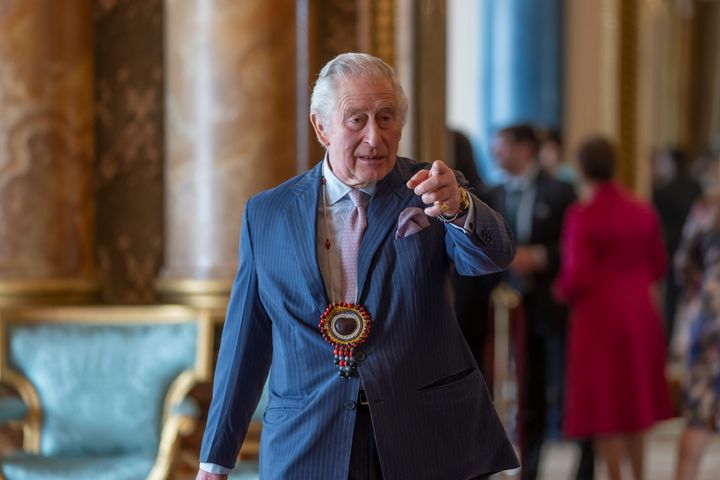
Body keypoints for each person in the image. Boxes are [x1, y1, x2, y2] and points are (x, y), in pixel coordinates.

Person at [196, 53, 519, 480]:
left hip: (424, 436)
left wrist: (458, 207)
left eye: (386, 118)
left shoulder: (430, 190)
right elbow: (245, 346)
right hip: (308, 441)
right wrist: (214, 460)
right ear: (321, 127)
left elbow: (491, 257)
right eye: (357, 120)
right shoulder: (267, 215)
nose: (374, 137)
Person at [553, 137, 673, 480]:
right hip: (639, 314)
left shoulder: (583, 215)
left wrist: (558, 291)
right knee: (636, 406)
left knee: (606, 410)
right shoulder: (642, 209)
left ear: (582, 169)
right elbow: (659, 266)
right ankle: (640, 475)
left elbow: (577, 276)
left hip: (598, 319)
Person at [489, 124, 578, 480]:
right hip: (505, 309)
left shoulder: (560, 191)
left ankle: (556, 464)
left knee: (555, 385)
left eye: (504, 147)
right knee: (517, 391)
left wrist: (538, 257)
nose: (497, 154)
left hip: (550, 306)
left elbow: (573, 247)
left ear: (525, 149)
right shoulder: (490, 193)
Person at [673, 150, 720, 480]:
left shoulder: (707, 207)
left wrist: (699, 297)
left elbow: (684, 265)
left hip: (709, 314)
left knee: (698, 415)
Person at [651, 148, 702, 342]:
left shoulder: (664, 190)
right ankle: (691, 339)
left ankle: (667, 341)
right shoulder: (695, 187)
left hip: (673, 249)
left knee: (671, 301)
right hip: (694, 253)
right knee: (692, 300)